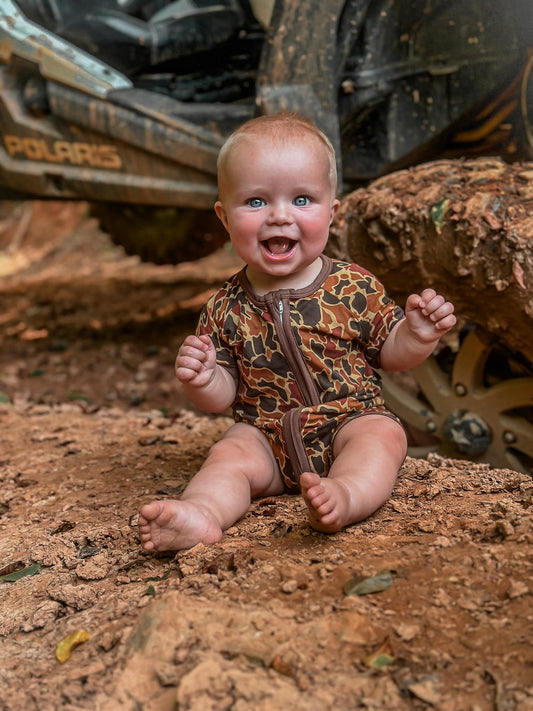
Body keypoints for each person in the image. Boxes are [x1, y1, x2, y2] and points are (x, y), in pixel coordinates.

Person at [138, 112, 456, 552]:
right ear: (224, 217)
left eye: (302, 200)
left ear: (332, 212)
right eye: (255, 202)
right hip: (267, 439)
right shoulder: (224, 307)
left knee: (382, 437)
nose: (279, 217)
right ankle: (203, 513)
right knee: (229, 455)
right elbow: (223, 395)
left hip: (349, 420)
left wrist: (417, 335)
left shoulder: (352, 286)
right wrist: (203, 378)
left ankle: (345, 494)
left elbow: (390, 352)